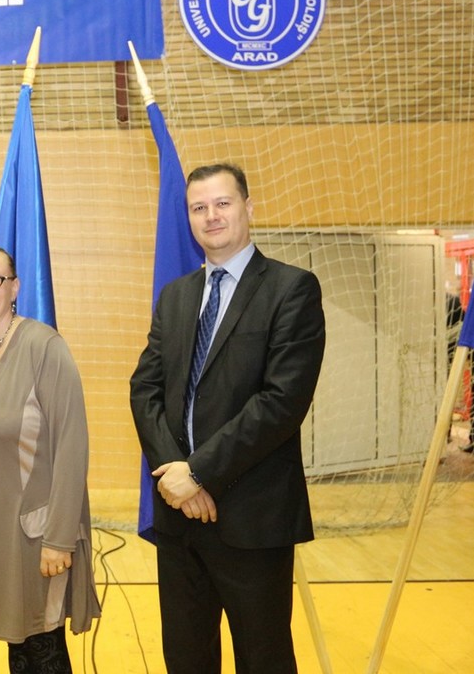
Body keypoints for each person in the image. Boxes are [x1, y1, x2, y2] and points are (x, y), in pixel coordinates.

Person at [129, 163, 326, 674]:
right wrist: (176, 476)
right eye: (199, 207)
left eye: (222, 203)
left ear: (248, 208)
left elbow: (281, 402)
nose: (211, 216)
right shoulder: (175, 296)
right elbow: (145, 389)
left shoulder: (291, 289)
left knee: (263, 659)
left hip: (252, 518)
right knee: (186, 658)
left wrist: (198, 472)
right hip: (178, 518)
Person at [0, 244, 101, 672]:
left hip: (37, 533)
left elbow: (72, 446)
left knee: (42, 646)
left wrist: (59, 539)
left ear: (15, 287)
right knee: (18, 647)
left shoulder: (44, 347)